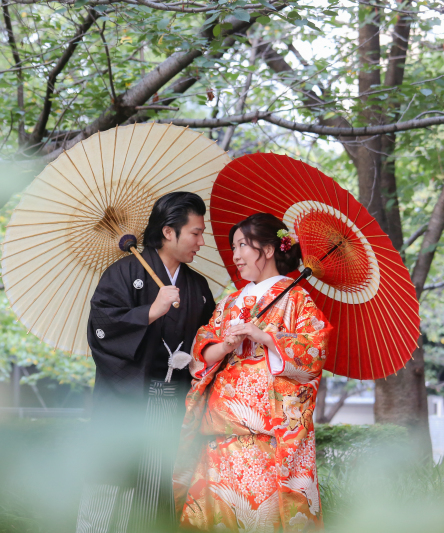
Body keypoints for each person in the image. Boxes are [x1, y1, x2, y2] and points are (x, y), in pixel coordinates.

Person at [172, 213, 332, 533]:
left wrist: (264, 337)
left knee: (259, 517)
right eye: (234, 247)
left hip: (266, 433)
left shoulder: (297, 297)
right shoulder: (231, 301)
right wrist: (226, 345)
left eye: (242, 245)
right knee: (214, 517)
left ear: (270, 249)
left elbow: (314, 351)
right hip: (218, 430)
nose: (235, 256)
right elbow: (202, 350)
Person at [76, 192, 216, 533]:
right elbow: (101, 332)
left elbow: (207, 339)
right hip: (129, 404)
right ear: (169, 231)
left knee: (160, 490)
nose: (201, 240)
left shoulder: (196, 285)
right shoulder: (123, 274)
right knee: (112, 486)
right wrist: (151, 311)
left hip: (175, 405)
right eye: (195, 232)